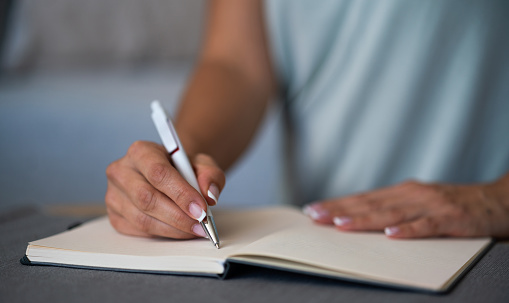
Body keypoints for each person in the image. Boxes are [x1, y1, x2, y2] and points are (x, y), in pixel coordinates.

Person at [105, 0, 509, 240]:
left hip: (482, 239)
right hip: (314, 239)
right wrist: (181, 162)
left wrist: (501, 198)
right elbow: (236, 65)